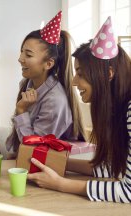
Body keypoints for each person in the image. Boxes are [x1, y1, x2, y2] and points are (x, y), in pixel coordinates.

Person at [27, 17, 131, 203]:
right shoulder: (119, 110)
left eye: (81, 74)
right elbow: (114, 168)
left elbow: (128, 191)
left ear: (108, 75)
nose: (74, 82)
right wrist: (59, 163)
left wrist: (60, 183)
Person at [4, 11, 84, 159]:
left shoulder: (55, 101)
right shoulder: (27, 83)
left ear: (48, 64)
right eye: (21, 52)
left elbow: (34, 150)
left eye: (28, 55)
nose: (20, 59)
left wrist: (21, 110)